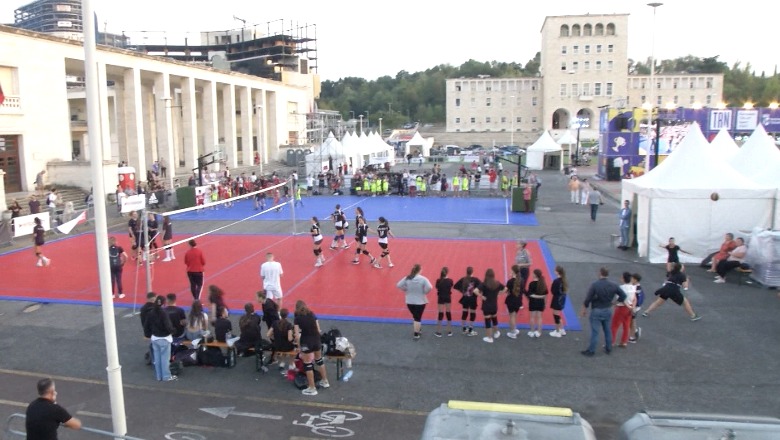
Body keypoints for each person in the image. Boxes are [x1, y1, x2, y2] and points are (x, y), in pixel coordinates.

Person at [580, 267, 626, 357]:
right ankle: (608, 348)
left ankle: (591, 350)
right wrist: (615, 303)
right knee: (607, 330)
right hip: (608, 309)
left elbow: (588, 298)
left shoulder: (595, 285)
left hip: (596, 310)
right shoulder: (614, 285)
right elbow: (623, 295)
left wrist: (584, 309)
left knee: (595, 332)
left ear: (600, 273)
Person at [293, 299, 330, 396]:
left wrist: (298, 346)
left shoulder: (297, 318)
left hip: (306, 342)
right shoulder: (312, 314)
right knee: (319, 360)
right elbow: (318, 329)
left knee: (307, 364)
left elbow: (296, 335)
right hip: (316, 339)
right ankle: (325, 381)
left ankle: (312, 388)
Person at [143, 294, 177, 381]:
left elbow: (146, 325)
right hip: (164, 338)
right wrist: (173, 331)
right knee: (165, 359)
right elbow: (168, 326)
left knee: (157, 359)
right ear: (163, 303)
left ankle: (159, 376)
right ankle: (166, 376)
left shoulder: (151, 313)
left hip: (155, 338)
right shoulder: (163, 313)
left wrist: (147, 335)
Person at [396, 263, 432, 341]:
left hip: (409, 301)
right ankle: (416, 333)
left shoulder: (407, 278)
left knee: (415, 316)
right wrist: (424, 292)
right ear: (419, 270)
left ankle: (418, 328)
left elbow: (398, 285)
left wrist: (405, 289)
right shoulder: (423, 279)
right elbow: (429, 287)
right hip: (420, 302)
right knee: (417, 318)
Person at [474, 268, 505, 343]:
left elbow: (475, 291)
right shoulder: (497, 283)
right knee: (494, 319)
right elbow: (505, 288)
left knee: (487, 321)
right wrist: (499, 293)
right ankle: (496, 332)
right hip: (494, 305)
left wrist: (481, 296)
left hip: (486, 306)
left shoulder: (484, 284)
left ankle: (489, 337)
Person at [611, 272, 637, 348]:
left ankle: (611, 342)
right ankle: (624, 342)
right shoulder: (633, 287)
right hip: (630, 308)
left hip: (621, 307)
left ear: (623, 279)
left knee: (614, 325)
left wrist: (614, 303)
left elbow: (622, 299)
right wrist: (632, 307)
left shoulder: (621, 288)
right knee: (626, 325)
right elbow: (635, 298)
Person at [454, 267, 481, 336]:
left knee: (464, 313)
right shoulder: (476, 280)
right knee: (472, 314)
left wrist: (462, 291)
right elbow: (481, 287)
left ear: (466, 272)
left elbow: (455, 286)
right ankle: (470, 330)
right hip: (473, 299)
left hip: (465, 298)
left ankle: (464, 329)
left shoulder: (463, 279)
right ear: (472, 272)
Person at [526, 268, 548, 338]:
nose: (532, 274)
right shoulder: (543, 283)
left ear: (535, 275)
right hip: (541, 303)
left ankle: (532, 331)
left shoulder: (532, 284)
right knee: (539, 317)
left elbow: (530, 294)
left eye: (533, 273)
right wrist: (545, 303)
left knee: (532, 317)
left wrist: (537, 296)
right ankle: (539, 331)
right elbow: (545, 295)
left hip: (533, 302)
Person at [504, 264, 524, 339]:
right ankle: (514, 329)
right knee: (514, 315)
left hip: (511, 301)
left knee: (511, 316)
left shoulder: (510, 281)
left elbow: (505, 290)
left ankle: (513, 332)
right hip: (518, 301)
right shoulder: (521, 280)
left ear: (513, 271)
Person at [434, 267, 454, 337]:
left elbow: (437, 287)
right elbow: (451, 286)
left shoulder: (438, 281)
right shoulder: (450, 280)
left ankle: (439, 331)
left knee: (440, 313)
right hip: (448, 297)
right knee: (448, 312)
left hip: (441, 298)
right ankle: (449, 331)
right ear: (447, 273)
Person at [549, 265, 568, 338]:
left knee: (556, 315)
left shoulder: (556, 281)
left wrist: (552, 285)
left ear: (557, 272)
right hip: (562, 299)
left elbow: (553, 291)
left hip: (557, 299)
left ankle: (557, 331)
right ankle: (562, 329)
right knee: (558, 314)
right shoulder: (563, 280)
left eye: (555, 270)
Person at [628, 273, 644, 343]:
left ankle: (633, 336)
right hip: (636, 307)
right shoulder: (638, 287)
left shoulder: (635, 288)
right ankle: (635, 332)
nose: (631, 280)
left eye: (632, 279)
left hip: (634, 307)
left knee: (632, 321)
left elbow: (635, 298)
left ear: (635, 280)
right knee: (631, 321)